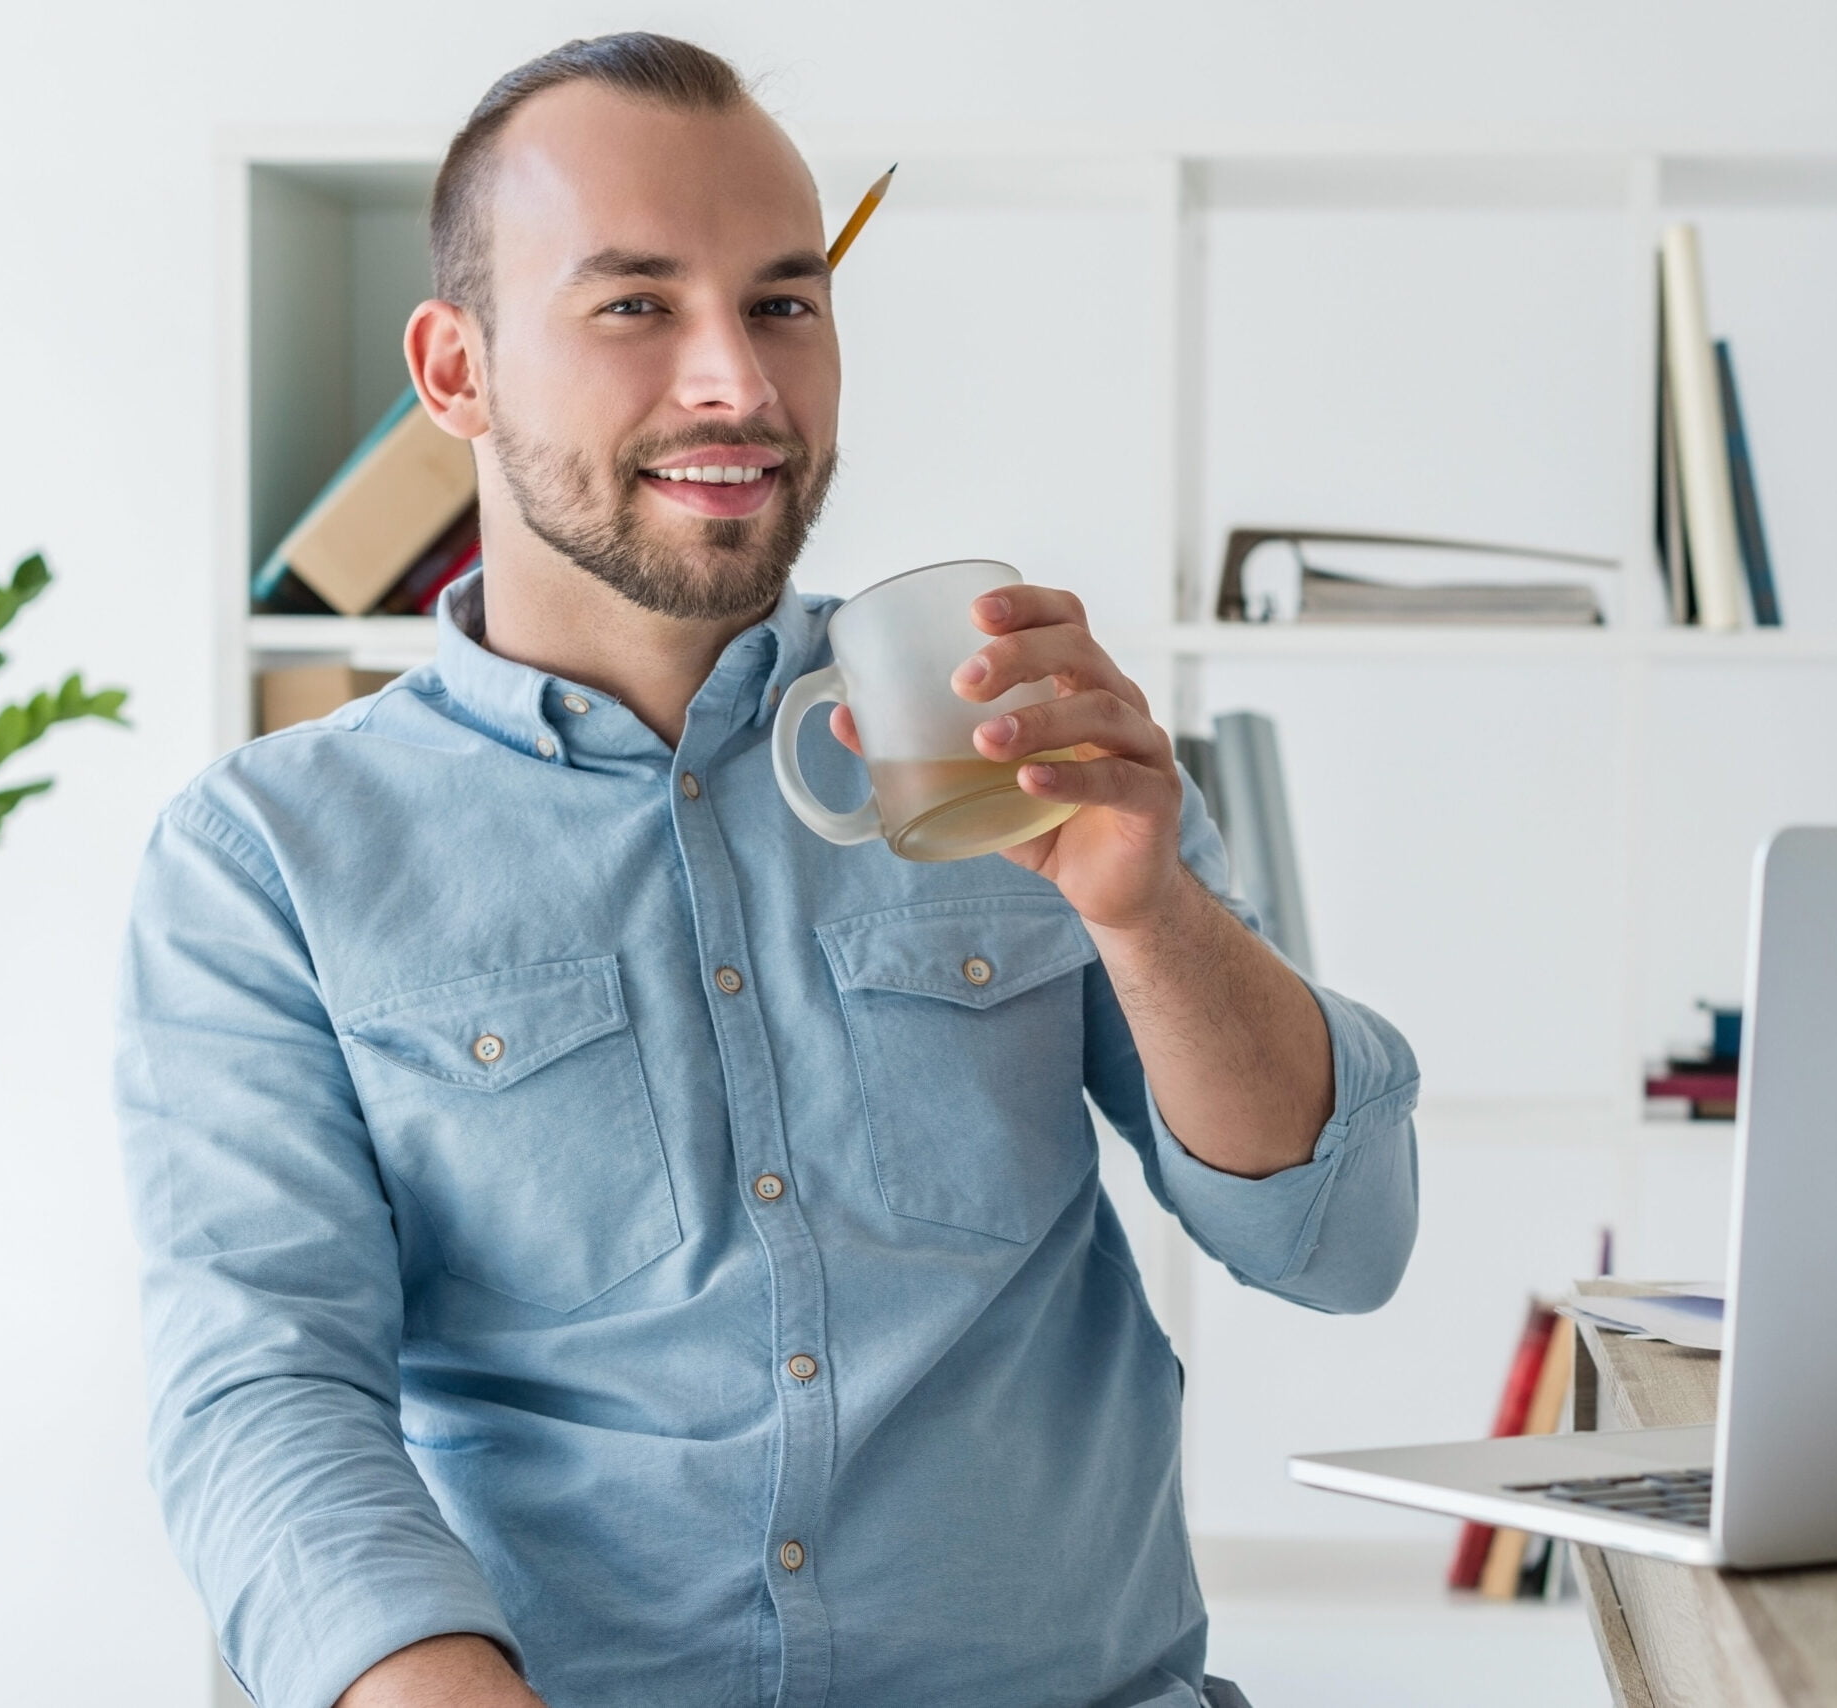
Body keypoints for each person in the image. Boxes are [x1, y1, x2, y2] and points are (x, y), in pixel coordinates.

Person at [116, 32, 1418, 1708]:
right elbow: (264, 1391)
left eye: (786, 302)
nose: (736, 384)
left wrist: (1143, 904)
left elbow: (1343, 1242)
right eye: (637, 303)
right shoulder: (265, 858)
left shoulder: (1000, 735)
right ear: (457, 371)